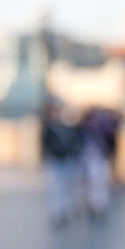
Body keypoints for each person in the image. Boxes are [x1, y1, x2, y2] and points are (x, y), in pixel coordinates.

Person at [40, 97, 83, 228]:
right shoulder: (49, 126)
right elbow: (44, 143)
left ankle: (65, 211)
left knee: (67, 187)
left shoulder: (69, 125)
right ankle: (57, 212)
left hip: (67, 159)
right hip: (55, 159)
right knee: (56, 187)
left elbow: (76, 141)